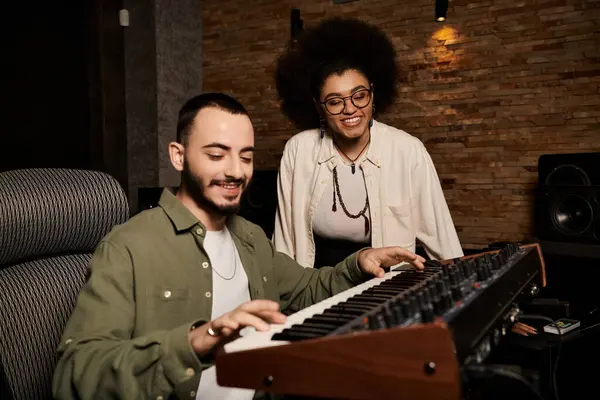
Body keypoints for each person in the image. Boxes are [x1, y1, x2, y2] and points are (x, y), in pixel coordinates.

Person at [51, 93, 426, 400]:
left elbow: (308, 289)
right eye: (216, 155)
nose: (235, 171)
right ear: (178, 156)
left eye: (245, 157)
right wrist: (200, 338)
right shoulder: (127, 247)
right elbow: (76, 372)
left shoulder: (249, 236)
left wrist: (359, 261)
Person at [272, 18, 464, 269]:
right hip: (317, 280)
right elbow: (284, 242)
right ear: (319, 108)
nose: (350, 108)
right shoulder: (298, 150)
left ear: (374, 95)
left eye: (359, 96)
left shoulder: (408, 150)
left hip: (387, 283)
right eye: (334, 101)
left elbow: (441, 239)